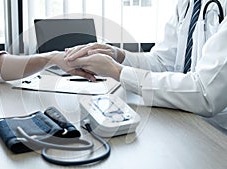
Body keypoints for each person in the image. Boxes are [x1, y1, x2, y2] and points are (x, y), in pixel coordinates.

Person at [65, 0, 227, 129]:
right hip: (188, 121)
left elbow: (205, 94)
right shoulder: (188, 3)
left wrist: (117, 71)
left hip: (218, 133)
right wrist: (119, 56)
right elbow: (163, 62)